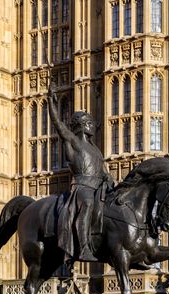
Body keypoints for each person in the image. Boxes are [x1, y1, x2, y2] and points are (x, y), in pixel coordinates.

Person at [47, 83, 113, 262]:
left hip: (99, 187)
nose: (93, 125)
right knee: (88, 202)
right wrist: (51, 102)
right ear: (81, 125)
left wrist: (108, 178)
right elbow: (58, 124)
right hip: (82, 188)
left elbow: (102, 170)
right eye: (89, 123)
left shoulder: (96, 150)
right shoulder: (74, 142)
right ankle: (83, 247)